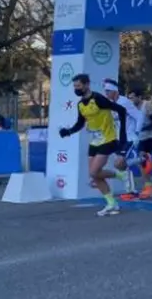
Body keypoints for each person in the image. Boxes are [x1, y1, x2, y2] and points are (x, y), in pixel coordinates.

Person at [58, 74, 129, 216]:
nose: (76, 89)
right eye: (74, 86)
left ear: (86, 85)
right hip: (95, 141)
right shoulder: (80, 104)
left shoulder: (98, 99)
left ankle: (120, 175)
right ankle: (111, 204)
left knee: (93, 172)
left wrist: (122, 135)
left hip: (108, 138)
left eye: (78, 86)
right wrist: (69, 131)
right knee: (96, 176)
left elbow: (121, 110)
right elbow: (80, 123)